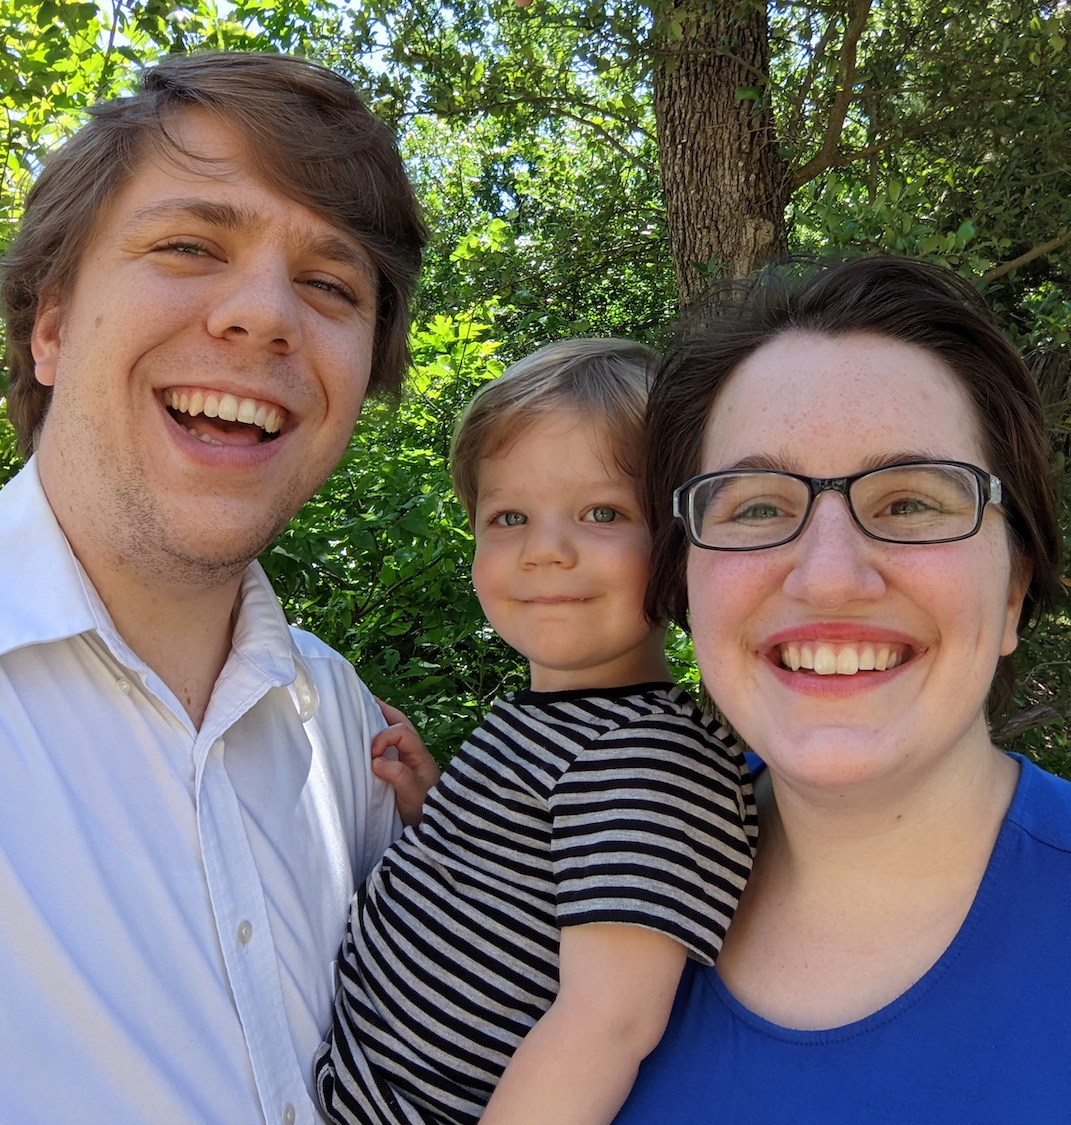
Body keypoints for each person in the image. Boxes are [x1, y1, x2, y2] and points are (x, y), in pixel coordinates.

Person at [612, 255, 1071, 1123]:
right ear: (685, 583)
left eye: (911, 503)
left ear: (1012, 592)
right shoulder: (562, 898)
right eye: (755, 507)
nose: (828, 577)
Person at [0, 52, 427, 1123]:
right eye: (188, 246)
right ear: (54, 325)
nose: (264, 316)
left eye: (330, 284)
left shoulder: (337, 727)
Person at [314, 339, 757, 1125]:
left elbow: (607, 1023)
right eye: (509, 515)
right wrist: (436, 808)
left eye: (602, 513)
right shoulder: (564, 720)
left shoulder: (653, 759)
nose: (546, 549)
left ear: (682, 545)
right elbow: (522, 888)